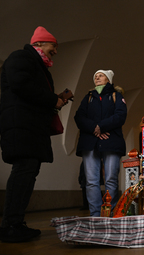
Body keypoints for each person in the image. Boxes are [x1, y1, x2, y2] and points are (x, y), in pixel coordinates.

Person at [0, 26, 67, 242]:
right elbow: (20, 85)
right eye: (53, 46)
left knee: (27, 172)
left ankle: (15, 222)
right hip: (22, 127)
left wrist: (55, 99)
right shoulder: (20, 57)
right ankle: (10, 225)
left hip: (28, 127)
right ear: (38, 44)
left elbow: (32, 91)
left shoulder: (36, 64)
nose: (55, 51)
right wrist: (51, 99)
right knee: (23, 172)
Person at [74, 70, 127, 217]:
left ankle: (111, 213)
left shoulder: (116, 96)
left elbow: (120, 115)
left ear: (108, 79)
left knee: (111, 178)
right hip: (90, 141)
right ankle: (95, 215)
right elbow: (79, 117)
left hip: (111, 141)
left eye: (101, 75)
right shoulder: (89, 97)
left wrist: (101, 126)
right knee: (91, 181)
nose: (97, 77)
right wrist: (94, 129)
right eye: (95, 76)